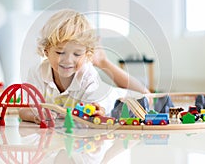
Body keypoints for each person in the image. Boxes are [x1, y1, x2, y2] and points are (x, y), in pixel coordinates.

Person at [19, 9, 150, 124]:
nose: (68, 60)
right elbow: (24, 110)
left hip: (120, 101)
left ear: (86, 54)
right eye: (60, 52)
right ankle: (100, 60)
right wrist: (36, 116)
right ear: (46, 50)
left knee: (146, 96)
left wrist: (98, 111)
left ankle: (102, 60)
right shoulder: (37, 72)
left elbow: (95, 112)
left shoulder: (88, 75)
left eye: (76, 54)